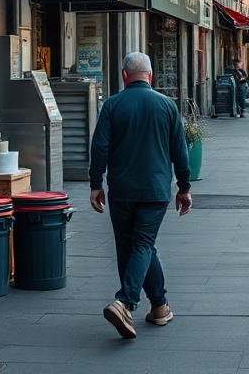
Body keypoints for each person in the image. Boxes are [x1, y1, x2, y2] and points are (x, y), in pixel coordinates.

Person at [89, 51, 193, 340]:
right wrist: (183, 187)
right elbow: (179, 152)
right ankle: (132, 303)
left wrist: (95, 183)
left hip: (122, 190)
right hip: (156, 189)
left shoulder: (112, 105)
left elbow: (99, 148)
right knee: (144, 245)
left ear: (124, 75)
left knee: (130, 247)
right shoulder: (167, 106)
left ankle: (153, 305)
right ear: (151, 75)